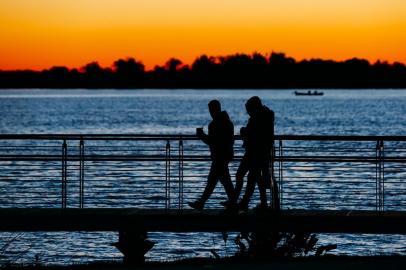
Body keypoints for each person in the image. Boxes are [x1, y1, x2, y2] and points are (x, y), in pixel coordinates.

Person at [188, 100, 235, 210]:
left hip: (219, 156)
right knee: (222, 180)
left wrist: (201, 135)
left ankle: (202, 203)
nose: (210, 112)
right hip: (226, 154)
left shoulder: (214, 124)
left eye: (211, 110)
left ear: (214, 110)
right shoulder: (228, 122)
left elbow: (213, 142)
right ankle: (233, 202)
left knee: (216, 180)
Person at [236, 96, 278, 211]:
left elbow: (254, 133)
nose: (248, 113)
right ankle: (260, 203)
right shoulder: (266, 116)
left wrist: (243, 131)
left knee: (250, 177)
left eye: (248, 110)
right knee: (256, 178)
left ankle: (243, 202)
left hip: (256, 151)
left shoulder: (258, 118)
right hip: (261, 151)